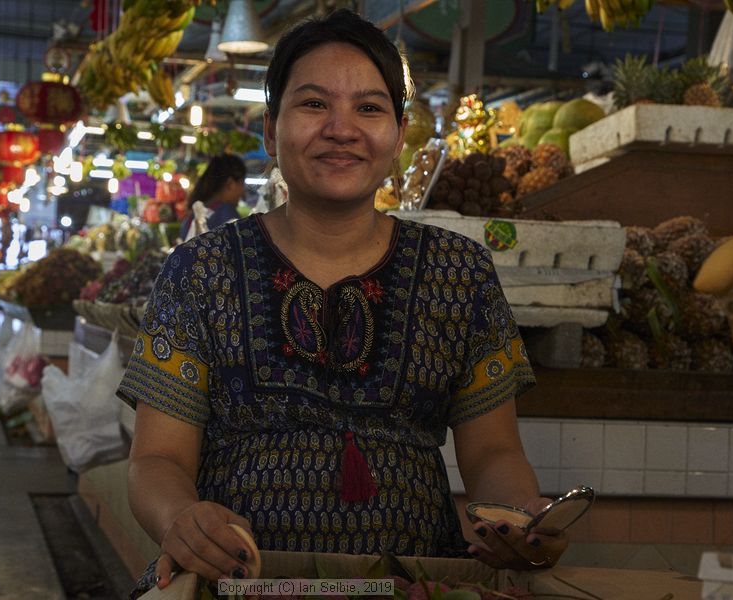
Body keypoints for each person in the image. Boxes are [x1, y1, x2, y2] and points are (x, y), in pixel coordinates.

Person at [117, 9, 566, 598]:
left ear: (399, 135)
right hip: (234, 580)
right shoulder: (201, 270)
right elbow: (155, 461)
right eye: (312, 104)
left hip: (415, 581)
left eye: (370, 108)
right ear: (270, 129)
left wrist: (519, 520)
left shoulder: (460, 273)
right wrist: (182, 518)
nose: (342, 128)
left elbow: (495, 453)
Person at [178, 154, 247, 240]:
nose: (243, 191)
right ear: (230, 184)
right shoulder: (226, 212)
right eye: (242, 183)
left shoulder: (194, 214)